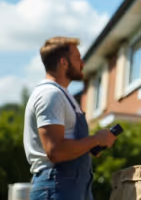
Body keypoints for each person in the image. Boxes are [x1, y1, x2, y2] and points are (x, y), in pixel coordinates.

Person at [23, 37, 117, 200]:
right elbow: (55, 151)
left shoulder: (63, 96)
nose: (82, 64)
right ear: (63, 62)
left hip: (71, 187)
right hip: (56, 186)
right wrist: (95, 139)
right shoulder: (50, 95)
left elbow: (65, 144)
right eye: (78, 59)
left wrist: (91, 145)